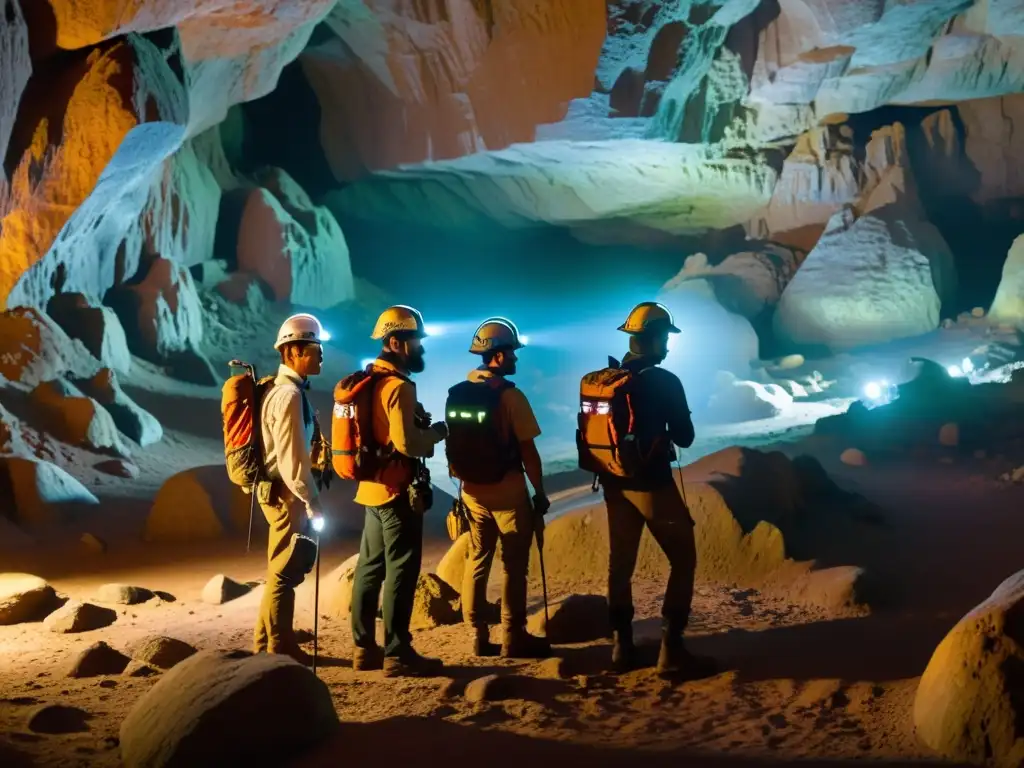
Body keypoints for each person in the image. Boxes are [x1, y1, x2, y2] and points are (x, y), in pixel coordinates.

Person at [600, 302, 717, 679]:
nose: (668, 345)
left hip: (614, 483)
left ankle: (621, 647)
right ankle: (672, 649)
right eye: (666, 338)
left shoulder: (607, 379)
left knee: (620, 566)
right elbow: (685, 437)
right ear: (654, 339)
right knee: (683, 558)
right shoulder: (664, 381)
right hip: (652, 484)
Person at [350, 305, 448, 676]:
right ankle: (397, 651)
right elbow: (407, 443)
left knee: (369, 569)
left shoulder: (369, 380)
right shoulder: (398, 387)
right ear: (395, 342)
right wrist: (436, 434)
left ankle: (363, 649)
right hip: (395, 492)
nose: (420, 349)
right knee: (402, 570)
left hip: (371, 490)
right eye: (416, 342)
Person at [445, 318, 552, 658]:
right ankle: (513, 636)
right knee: (514, 565)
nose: (516, 359)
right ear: (498, 356)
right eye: (512, 353)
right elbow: (528, 453)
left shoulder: (459, 391)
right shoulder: (510, 397)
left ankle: (477, 635)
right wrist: (540, 492)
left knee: (477, 560)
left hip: (471, 491)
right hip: (507, 491)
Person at [253, 313, 327, 665]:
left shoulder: (283, 391)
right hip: (286, 493)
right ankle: (280, 647)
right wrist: (311, 500)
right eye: (314, 347)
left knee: (276, 569)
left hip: (279, 491)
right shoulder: (288, 396)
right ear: (293, 352)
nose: (321, 354)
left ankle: (264, 640)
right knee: (285, 572)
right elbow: (292, 459)